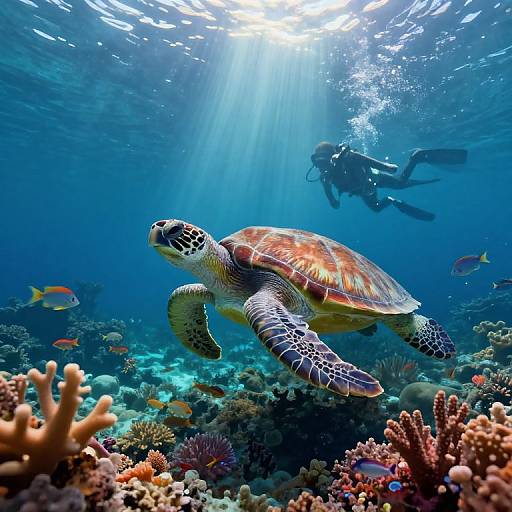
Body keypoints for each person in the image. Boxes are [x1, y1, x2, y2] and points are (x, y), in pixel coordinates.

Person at [308, 142, 468, 221]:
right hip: (363, 190)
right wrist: (333, 201)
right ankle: (392, 201)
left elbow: (363, 160)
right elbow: (331, 199)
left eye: (323, 160)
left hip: (374, 178)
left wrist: (385, 166)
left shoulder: (347, 157)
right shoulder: (325, 177)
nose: (322, 165)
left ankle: (417, 157)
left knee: (401, 183)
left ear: (332, 155)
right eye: (318, 161)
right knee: (377, 208)